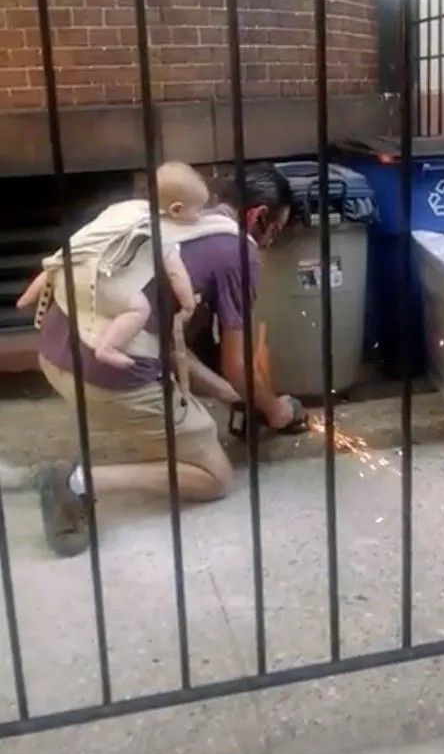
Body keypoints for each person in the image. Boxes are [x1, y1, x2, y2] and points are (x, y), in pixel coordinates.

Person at [27, 162, 304, 558]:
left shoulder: (167, 217)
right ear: (257, 216)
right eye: (274, 231)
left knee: (177, 392)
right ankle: (74, 482)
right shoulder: (237, 253)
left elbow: (171, 351)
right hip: (105, 377)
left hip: (55, 355)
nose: (268, 243)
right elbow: (237, 364)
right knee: (215, 477)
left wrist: (234, 395)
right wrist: (276, 410)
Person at [18, 161, 210, 370]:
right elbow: (176, 274)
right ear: (176, 209)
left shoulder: (122, 208)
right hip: (99, 280)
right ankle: (108, 347)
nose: (200, 216)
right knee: (139, 309)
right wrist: (188, 304)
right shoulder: (162, 229)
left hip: (72, 263)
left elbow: (86, 238)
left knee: (60, 260)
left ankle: (28, 297)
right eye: (198, 210)